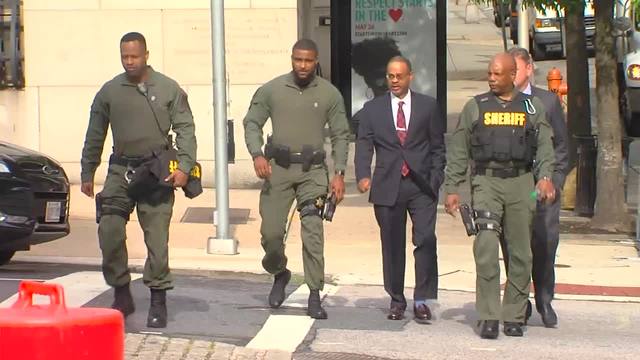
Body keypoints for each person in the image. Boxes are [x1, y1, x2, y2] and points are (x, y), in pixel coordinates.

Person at [80, 32, 197, 328]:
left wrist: (184, 167)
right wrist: (87, 170)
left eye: (135, 56)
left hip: (156, 172)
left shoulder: (169, 88)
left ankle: (158, 298)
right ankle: (121, 293)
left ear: (147, 55)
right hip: (120, 171)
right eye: (125, 57)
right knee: (109, 231)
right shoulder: (110, 91)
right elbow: (95, 133)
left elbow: (186, 130)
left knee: (156, 240)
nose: (130, 62)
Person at [444, 53, 556, 339]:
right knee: (486, 249)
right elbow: (459, 150)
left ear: (512, 75)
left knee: (520, 253)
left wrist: (545, 179)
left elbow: (544, 147)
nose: (491, 78)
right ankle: (489, 315)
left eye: (497, 74)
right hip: (486, 183)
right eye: (489, 73)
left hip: (522, 184)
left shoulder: (532, 107)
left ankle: (514, 315)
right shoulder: (475, 107)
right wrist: (453, 188)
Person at [242, 39, 350, 319]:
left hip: (313, 172)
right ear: (291, 59)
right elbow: (252, 121)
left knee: (313, 231)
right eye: (298, 60)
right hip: (278, 169)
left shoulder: (329, 94)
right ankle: (280, 272)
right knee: (272, 234)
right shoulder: (273, 89)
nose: (302, 66)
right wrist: (257, 154)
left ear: (316, 61)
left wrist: (339, 173)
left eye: (308, 61)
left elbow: (341, 134)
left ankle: (314, 294)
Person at [354, 56, 446, 323]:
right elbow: (363, 145)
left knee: (426, 240)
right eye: (390, 76)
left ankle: (421, 299)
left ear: (410, 77)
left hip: (421, 185)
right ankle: (397, 299)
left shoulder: (428, 107)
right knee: (392, 245)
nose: (394, 80)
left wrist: (436, 178)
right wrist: (362, 175)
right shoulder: (373, 109)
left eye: (399, 76)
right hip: (387, 185)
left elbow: (438, 147)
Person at [501, 47, 569, 328]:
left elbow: (562, 147)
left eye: (515, 69)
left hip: (541, 189)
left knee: (544, 243)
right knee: (513, 246)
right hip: (512, 188)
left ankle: (544, 298)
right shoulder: (498, 103)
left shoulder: (548, 103)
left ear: (528, 69)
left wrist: (554, 180)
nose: (511, 74)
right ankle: (520, 302)